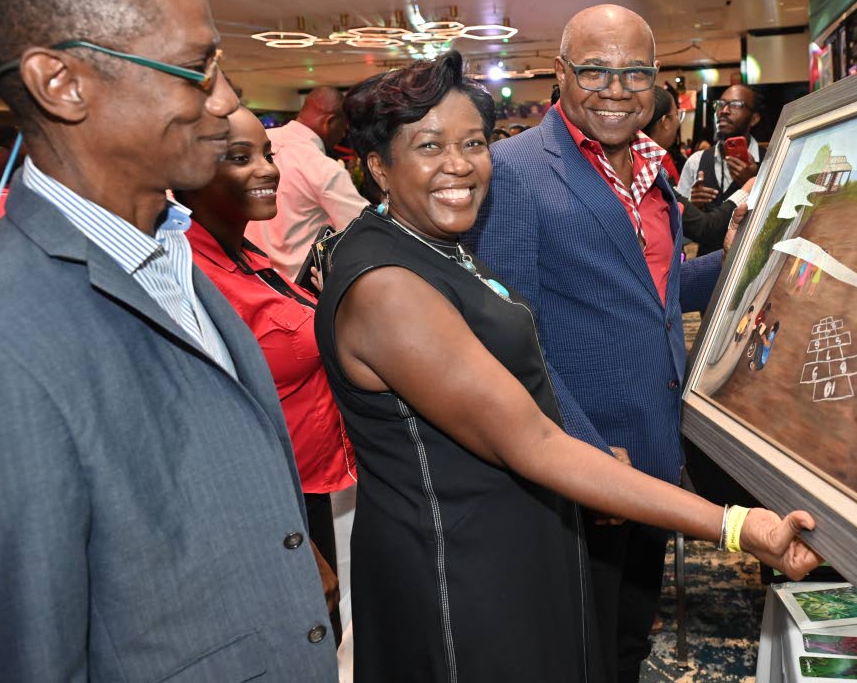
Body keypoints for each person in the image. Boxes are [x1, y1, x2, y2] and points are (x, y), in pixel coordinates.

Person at [316, 49, 819, 682]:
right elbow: (535, 444)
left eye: (472, 142)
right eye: (428, 146)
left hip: (513, 541)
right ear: (379, 168)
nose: (458, 165)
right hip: (459, 566)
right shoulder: (388, 286)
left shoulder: (433, 246)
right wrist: (737, 525)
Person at [0, 0, 335, 680]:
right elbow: (30, 646)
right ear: (62, 84)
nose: (226, 100)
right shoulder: (4, 334)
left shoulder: (173, 249)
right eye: (196, 69)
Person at [467, 4, 738, 682]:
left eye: (634, 73)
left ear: (657, 80)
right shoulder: (514, 171)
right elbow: (511, 338)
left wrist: (748, 257)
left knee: (625, 642)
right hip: (578, 465)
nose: (616, 90)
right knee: (573, 651)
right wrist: (585, 450)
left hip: (650, 451)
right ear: (561, 73)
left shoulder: (654, 171)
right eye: (594, 71)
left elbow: (657, 294)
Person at [176, 105, 358, 643]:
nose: (267, 169)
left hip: (307, 488)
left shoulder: (242, 250)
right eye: (239, 158)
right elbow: (204, 432)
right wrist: (290, 539)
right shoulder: (185, 270)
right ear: (189, 170)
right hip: (271, 506)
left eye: (267, 154)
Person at [246, 87, 367, 279]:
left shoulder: (263, 140)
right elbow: (362, 229)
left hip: (250, 276)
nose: (342, 137)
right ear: (330, 122)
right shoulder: (323, 167)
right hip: (297, 288)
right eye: (343, 129)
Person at [676, 84, 763, 215]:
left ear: (754, 119)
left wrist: (754, 184)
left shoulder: (771, 161)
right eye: (720, 104)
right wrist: (690, 205)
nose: (724, 110)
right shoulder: (696, 162)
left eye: (735, 105)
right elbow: (677, 218)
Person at [640, 85, 682, 185]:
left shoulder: (627, 157)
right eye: (677, 114)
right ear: (665, 121)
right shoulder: (661, 161)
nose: (679, 122)